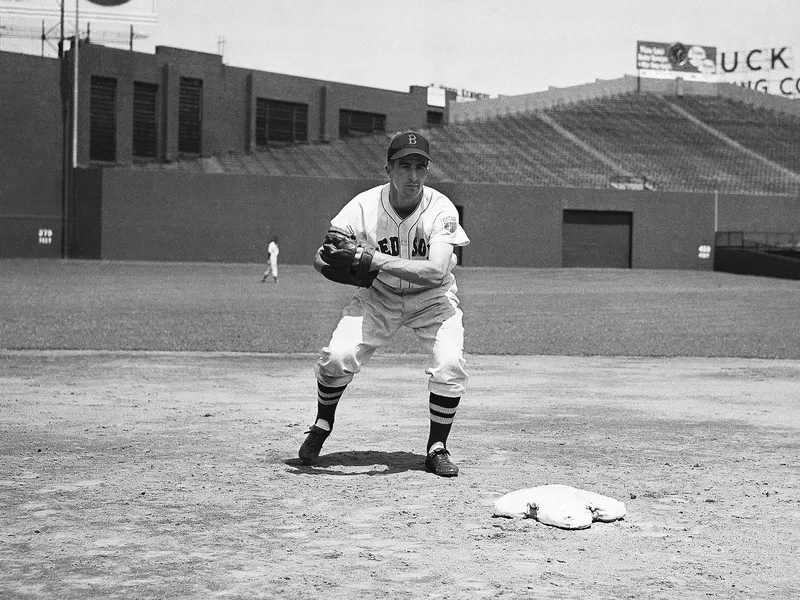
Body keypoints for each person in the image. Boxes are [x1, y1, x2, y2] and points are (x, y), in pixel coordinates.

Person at [299, 131, 470, 477]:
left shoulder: (441, 208)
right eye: (404, 166)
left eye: (420, 167)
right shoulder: (362, 206)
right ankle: (322, 423)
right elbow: (322, 255)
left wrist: (370, 258)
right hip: (379, 296)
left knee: (450, 364)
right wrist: (342, 265)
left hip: (432, 300)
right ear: (388, 169)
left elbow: (437, 271)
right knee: (337, 357)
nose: (413, 175)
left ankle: (437, 448)